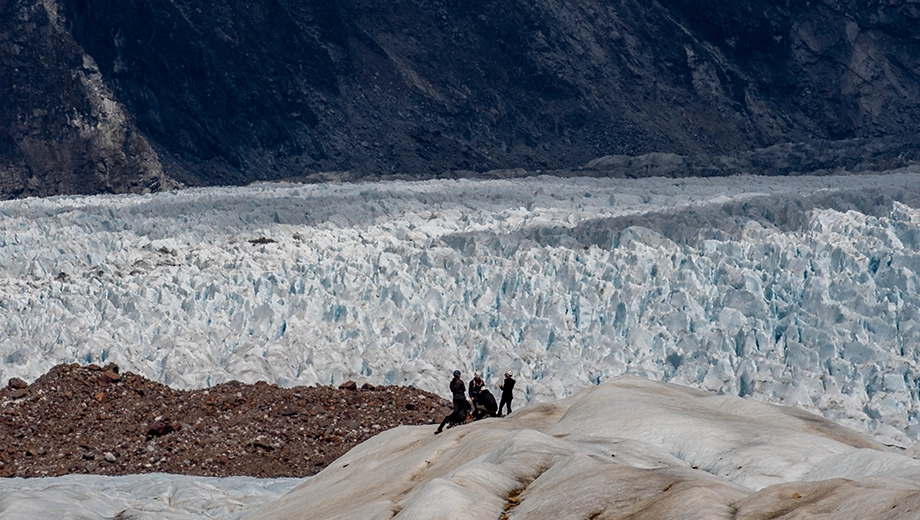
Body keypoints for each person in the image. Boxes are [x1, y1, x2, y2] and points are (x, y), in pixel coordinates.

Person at [436, 370, 470, 434]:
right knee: (462, 410)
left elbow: (452, 390)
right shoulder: (460, 382)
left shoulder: (452, 383)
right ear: (458, 375)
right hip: (461, 398)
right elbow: (464, 389)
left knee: (455, 411)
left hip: (455, 398)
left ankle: (442, 425)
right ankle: (459, 420)